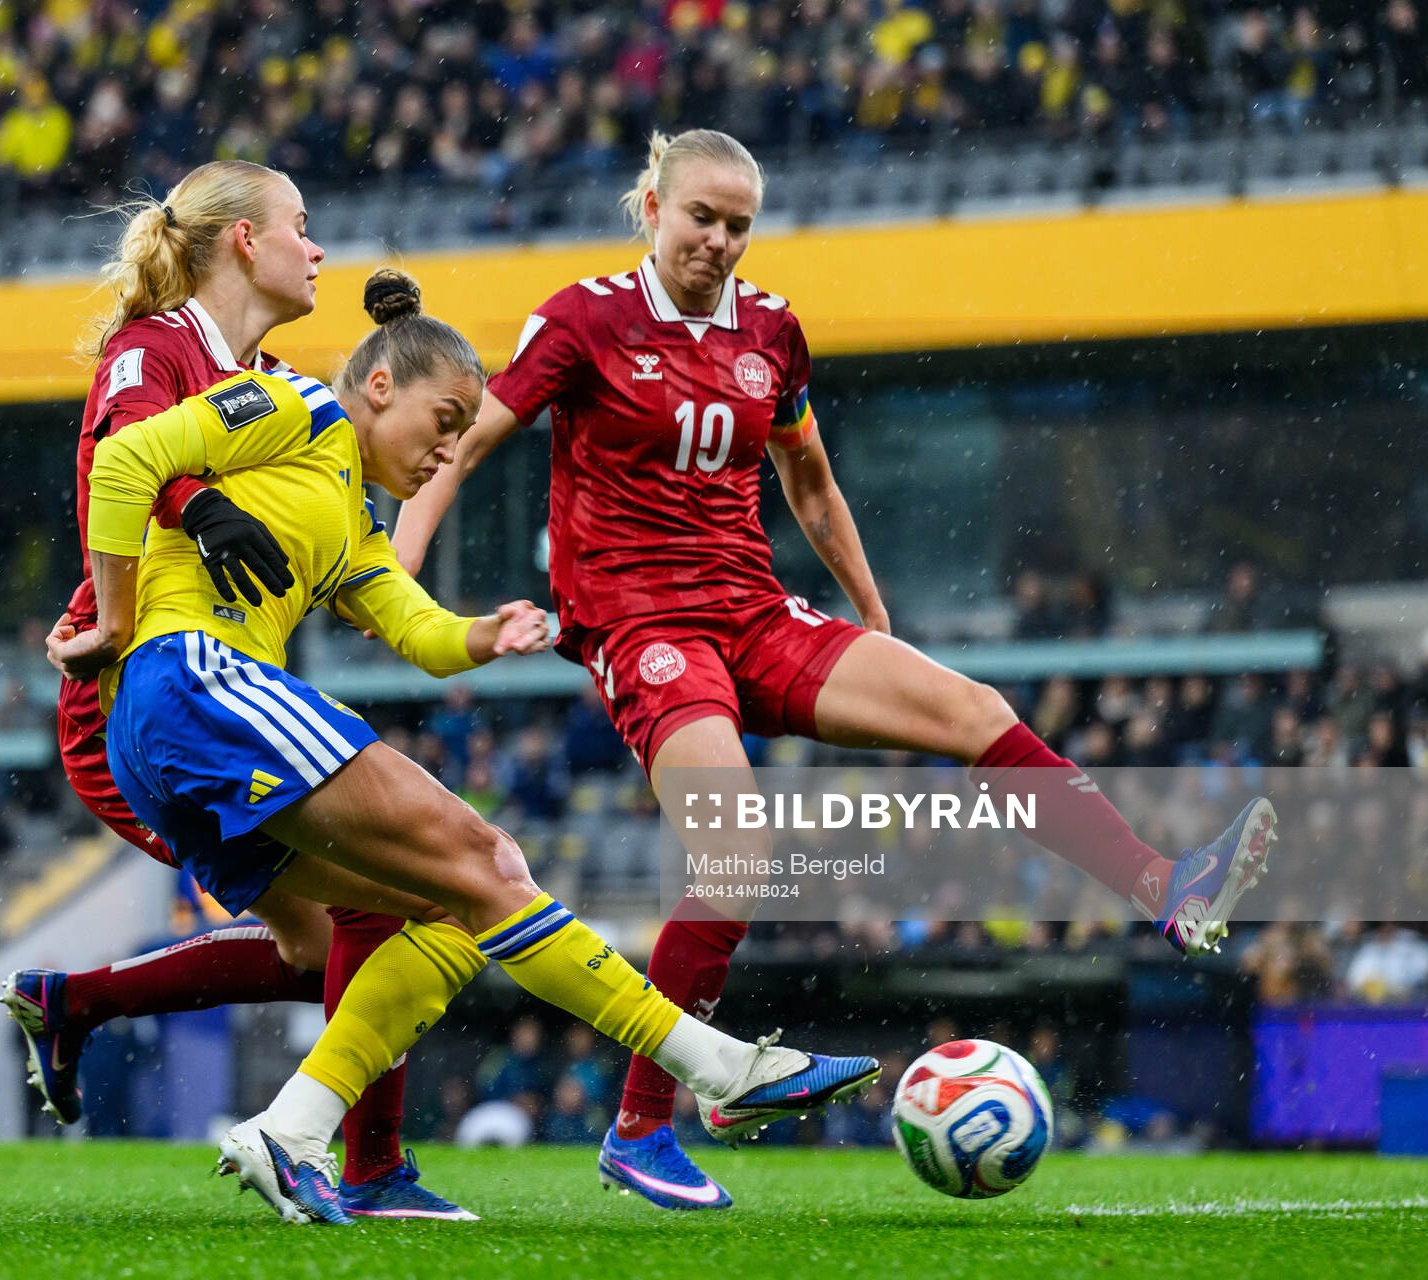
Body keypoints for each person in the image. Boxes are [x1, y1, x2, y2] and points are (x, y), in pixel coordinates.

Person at [390, 128, 1278, 1210]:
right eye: (701, 218)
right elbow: (464, 444)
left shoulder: (772, 330)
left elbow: (808, 477)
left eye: (739, 225)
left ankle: (1163, 887)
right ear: (654, 208)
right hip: (640, 622)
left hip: (755, 612)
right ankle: (641, 1126)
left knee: (974, 709)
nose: (719, 241)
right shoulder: (583, 318)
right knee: (736, 847)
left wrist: (871, 609)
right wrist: (402, 582)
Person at [48, 271, 880, 1226]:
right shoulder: (297, 404)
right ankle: (718, 1066)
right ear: (378, 387)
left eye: (463, 433)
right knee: (489, 860)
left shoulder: (352, 524)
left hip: (168, 735)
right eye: (443, 422)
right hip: (193, 680)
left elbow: (419, 631)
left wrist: (484, 634)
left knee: (441, 914)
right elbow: (124, 460)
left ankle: (292, 1128)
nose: (449, 450)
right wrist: (119, 619)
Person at [1, 159, 459, 1220]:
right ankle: (373, 1169)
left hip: (211, 690)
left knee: (333, 943)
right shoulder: (155, 347)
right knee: (379, 907)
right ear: (246, 240)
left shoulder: (268, 374)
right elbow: (122, 456)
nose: (319, 247)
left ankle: (76, 1004)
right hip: (135, 695)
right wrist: (198, 506)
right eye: (302, 224)